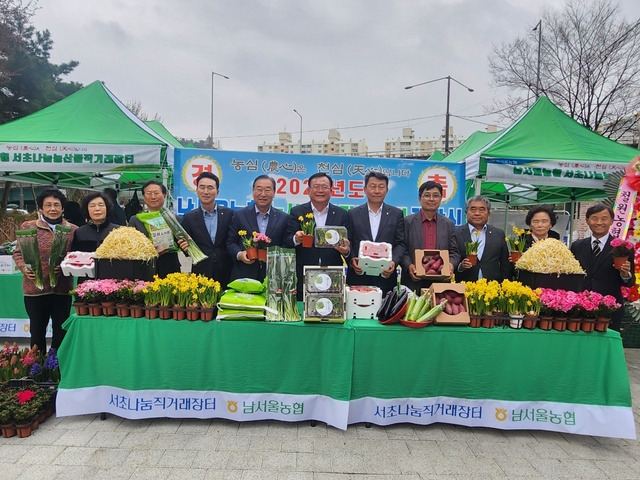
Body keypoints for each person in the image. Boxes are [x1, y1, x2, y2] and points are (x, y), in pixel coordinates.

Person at [13, 188, 78, 352]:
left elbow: (77, 256)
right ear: (40, 208)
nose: (52, 209)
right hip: (34, 289)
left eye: (57, 205)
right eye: (48, 205)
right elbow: (18, 253)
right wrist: (23, 269)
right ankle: (37, 368)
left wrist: (65, 265)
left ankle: (57, 367)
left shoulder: (72, 230)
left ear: (63, 208)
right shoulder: (28, 226)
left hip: (62, 289)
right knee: (37, 331)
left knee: (60, 330)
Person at [284, 172, 351, 300]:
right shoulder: (297, 212)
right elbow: (287, 240)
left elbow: (349, 244)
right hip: (303, 273)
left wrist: (346, 251)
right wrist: (296, 239)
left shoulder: (342, 214)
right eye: (316, 186)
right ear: (309, 190)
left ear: (331, 190)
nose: (320, 190)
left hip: (332, 274)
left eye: (324, 187)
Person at [570, 204, 634, 331]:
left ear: (611, 221)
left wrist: (625, 274)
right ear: (587, 221)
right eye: (594, 218)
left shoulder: (623, 247)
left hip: (610, 309)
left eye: (604, 218)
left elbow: (629, 282)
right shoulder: (577, 246)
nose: (599, 222)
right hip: (581, 308)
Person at [347, 171, 405, 293]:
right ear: (364, 189)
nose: (377, 191)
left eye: (381, 187)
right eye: (372, 186)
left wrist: (393, 262)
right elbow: (349, 242)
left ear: (387, 190)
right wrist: (352, 260)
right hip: (359, 276)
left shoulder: (396, 214)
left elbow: (400, 243)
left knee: (385, 311)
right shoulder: (353, 214)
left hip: (385, 277)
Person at [226, 175, 288, 282]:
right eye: (259, 189)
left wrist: (275, 256)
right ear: (253, 191)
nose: (263, 194)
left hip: (273, 276)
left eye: (268, 190)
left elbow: (286, 244)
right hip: (244, 275)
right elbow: (230, 242)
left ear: (274, 193)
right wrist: (240, 254)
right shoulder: (239, 215)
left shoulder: (284, 218)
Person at [401, 180, 460, 292]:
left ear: (440, 199)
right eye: (427, 195)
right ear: (419, 199)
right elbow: (401, 248)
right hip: (413, 281)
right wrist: (409, 266)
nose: (431, 199)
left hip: (440, 283)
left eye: (436, 196)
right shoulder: (407, 222)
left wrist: (451, 265)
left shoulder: (448, 224)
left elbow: (454, 252)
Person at [181, 172, 234, 288]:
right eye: (202, 187)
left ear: (217, 192)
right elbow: (185, 245)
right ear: (197, 190)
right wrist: (184, 247)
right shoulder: (189, 217)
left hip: (226, 270)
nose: (206, 192)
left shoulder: (229, 214)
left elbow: (233, 240)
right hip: (201, 271)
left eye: (210, 188)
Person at [129, 180, 188, 278]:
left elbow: (183, 245)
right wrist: (149, 251)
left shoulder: (174, 219)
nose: (153, 197)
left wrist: (186, 245)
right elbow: (130, 248)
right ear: (144, 197)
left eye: (156, 193)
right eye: (149, 193)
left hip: (170, 269)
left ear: (164, 196)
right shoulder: (135, 220)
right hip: (143, 270)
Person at [455, 195, 510, 282]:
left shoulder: (498, 234)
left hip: (492, 288)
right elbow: (451, 259)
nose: (477, 213)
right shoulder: (456, 233)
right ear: (466, 213)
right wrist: (460, 266)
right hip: (464, 286)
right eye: (473, 209)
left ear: (488, 214)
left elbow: (505, 264)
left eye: (481, 210)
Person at [70, 191, 119, 257]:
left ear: (107, 208)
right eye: (92, 206)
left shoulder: (118, 231)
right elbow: (74, 258)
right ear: (87, 210)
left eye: (101, 205)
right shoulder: (79, 232)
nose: (97, 209)